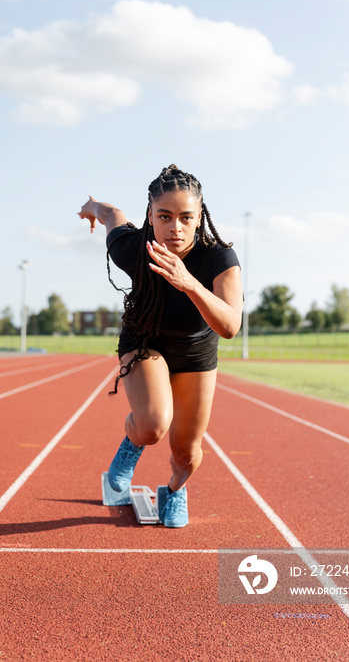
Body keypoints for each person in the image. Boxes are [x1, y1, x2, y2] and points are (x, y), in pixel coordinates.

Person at [77, 165, 243, 528]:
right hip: (145, 340)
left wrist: (189, 284)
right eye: (164, 217)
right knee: (153, 426)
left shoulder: (219, 260)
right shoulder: (133, 248)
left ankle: (174, 490)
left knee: (186, 453)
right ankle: (130, 447)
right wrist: (91, 206)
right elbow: (111, 215)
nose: (175, 228)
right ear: (150, 216)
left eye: (186, 218)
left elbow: (230, 326)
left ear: (200, 219)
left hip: (196, 353)